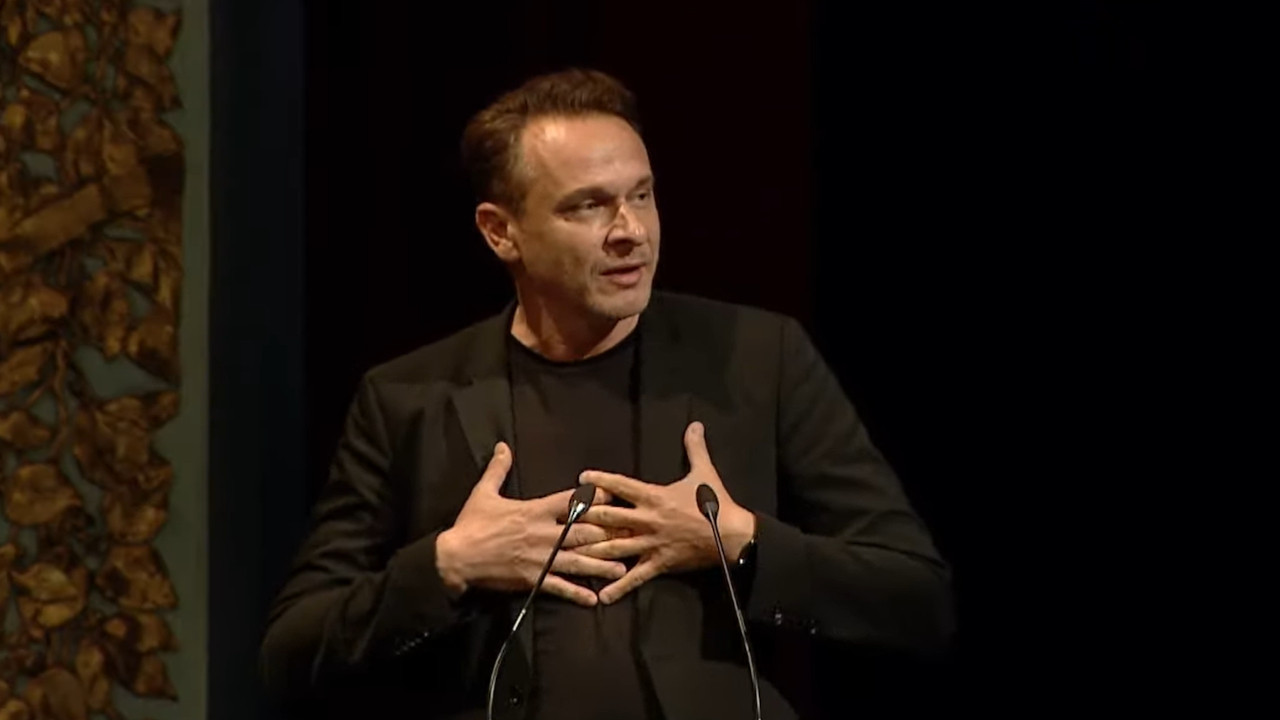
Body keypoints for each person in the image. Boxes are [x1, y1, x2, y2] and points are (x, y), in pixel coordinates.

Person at [260, 68, 954, 720]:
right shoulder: (407, 396)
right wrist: (449, 565)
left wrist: (738, 541)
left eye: (642, 196)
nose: (631, 232)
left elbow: (916, 597)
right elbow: (291, 650)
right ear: (501, 232)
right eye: (589, 206)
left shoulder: (758, 359)